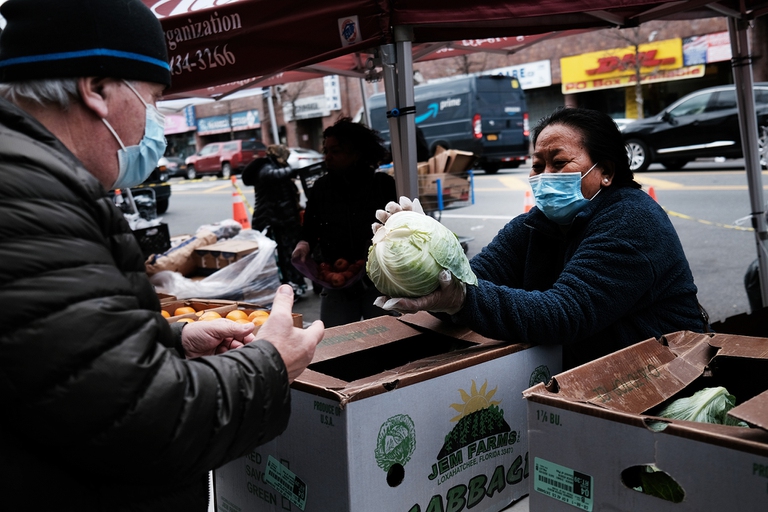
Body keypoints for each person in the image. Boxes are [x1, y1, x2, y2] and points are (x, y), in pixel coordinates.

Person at [0, 1, 324, 510]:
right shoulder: (28, 198)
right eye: (151, 99)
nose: (155, 123)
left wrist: (169, 340)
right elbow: (139, 425)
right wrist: (271, 365)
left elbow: (59, 364)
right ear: (97, 88)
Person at [374, 108, 706, 370]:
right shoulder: (534, 226)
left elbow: (565, 313)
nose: (544, 175)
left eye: (559, 163)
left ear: (605, 171)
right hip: (586, 374)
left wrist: (460, 300)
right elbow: (471, 280)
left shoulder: (633, 222)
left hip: (665, 374)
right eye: (537, 165)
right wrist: (418, 252)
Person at [292, 118, 397, 327]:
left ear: (357, 153)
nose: (327, 157)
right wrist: (304, 244)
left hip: (378, 280)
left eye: (336, 151)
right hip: (335, 280)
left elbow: (398, 227)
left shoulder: (382, 185)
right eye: (326, 150)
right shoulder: (321, 188)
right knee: (335, 339)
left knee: (387, 340)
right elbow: (310, 228)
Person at [242, 144, 307, 296]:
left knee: (289, 253)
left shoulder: (277, 166)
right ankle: (288, 286)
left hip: (283, 220)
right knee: (282, 256)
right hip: (272, 221)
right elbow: (272, 176)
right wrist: (293, 170)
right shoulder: (266, 166)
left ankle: (295, 284)